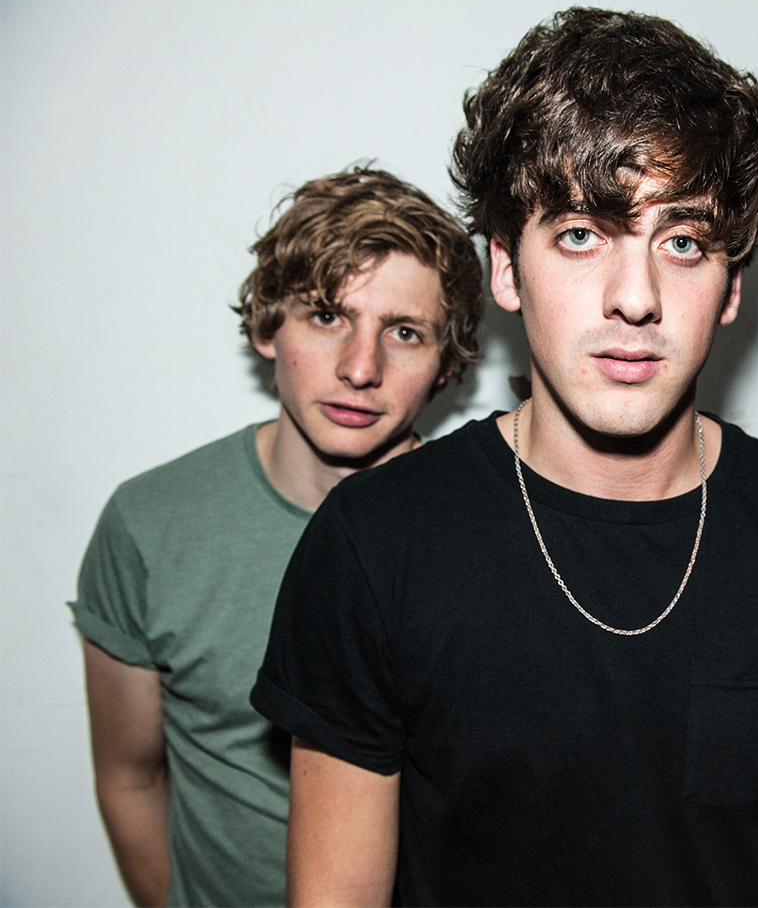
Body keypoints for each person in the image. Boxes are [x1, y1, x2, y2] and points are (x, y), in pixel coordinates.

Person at [250, 8, 758, 907]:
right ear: (506, 270)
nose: (636, 297)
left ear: (731, 286)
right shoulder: (375, 543)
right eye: (580, 233)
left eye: (682, 242)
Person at [73, 166, 483, 907]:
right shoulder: (151, 523)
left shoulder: (486, 535)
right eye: (327, 316)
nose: (361, 368)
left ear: (444, 362)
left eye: (404, 332)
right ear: (269, 328)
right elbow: (129, 775)